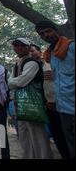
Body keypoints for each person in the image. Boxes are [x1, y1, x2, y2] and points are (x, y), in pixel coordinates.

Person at [8, 37, 53, 159]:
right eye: (16, 46)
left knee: (38, 136)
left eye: (22, 45)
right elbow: (13, 82)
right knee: (25, 137)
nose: (19, 48)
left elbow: (19, 82)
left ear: (28, 47)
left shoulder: (32, 63)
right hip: (21, 104)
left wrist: (12, 82)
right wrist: (13, 82)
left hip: (33, 103)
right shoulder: (18, 63)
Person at [35, 21, 75, 159]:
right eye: (42, 34)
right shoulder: (50, 55)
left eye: (48, 31)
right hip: (63, 108)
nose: (46, 35)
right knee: (70, 146)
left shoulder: (71, 47)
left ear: (56, 30)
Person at [29, 43, 70, 159]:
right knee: (57, 135)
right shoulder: (29, 67)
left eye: (33, 51)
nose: (31, 53)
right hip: (46, 106)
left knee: (66, 133)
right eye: (29, 52)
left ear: (39, 51)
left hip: (61, 103)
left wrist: (56, 75)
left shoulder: (49, 63)